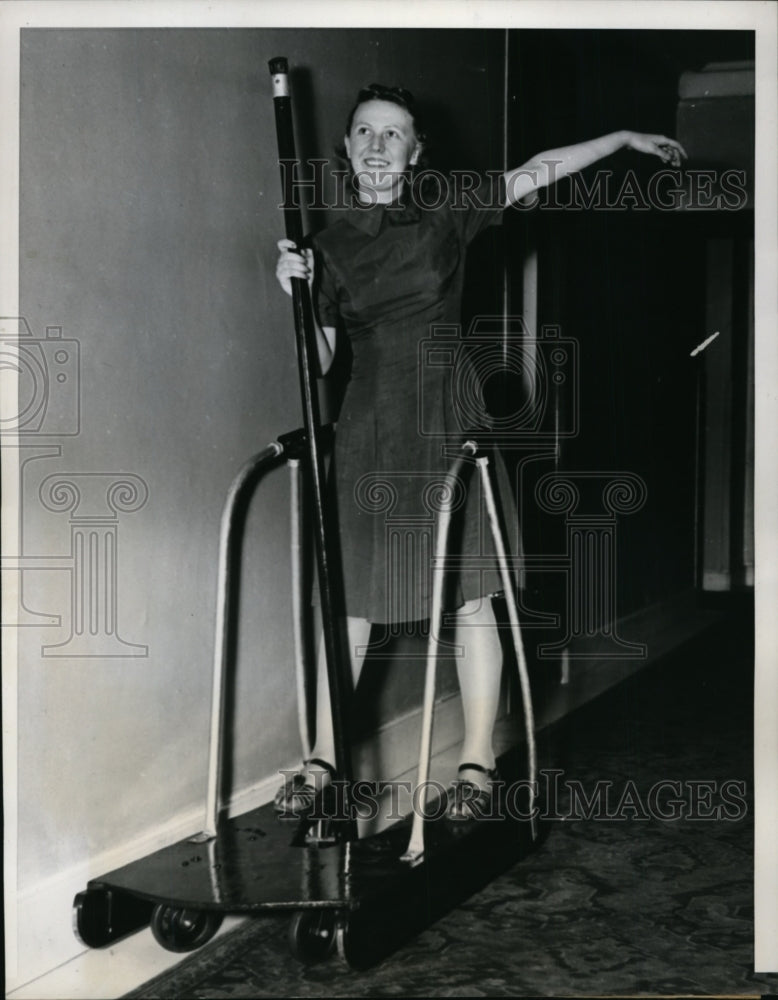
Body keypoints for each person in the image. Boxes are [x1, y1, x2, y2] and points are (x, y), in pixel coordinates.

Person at [273, 82, 685, 824]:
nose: (376, 145)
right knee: (352, 605)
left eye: (393, 134)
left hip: (447, 417)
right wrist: (295, 295)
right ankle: (323, 760)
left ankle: (474, 765)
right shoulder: (323, 248)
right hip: (369, 425)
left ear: (415, 151)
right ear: (346, 148)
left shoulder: (446, 213)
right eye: (364, 132)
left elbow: (539, 168)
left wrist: (620, 135)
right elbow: (322, 358)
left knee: (469, 597)